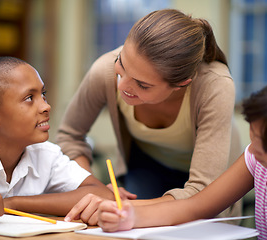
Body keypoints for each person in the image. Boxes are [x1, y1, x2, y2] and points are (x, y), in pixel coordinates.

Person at [58, 8, 242, 223]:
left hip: (208, 180)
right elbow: (70, 134)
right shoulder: (104, 70)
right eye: (121, 64)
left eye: (142, 84)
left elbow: (201, 192)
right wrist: (93, 189)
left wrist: (117, 208)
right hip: (148, 165)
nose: (122, 85)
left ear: (181, 84)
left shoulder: (215, 85)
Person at [97, 66, 267, 239]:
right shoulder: (255, 158)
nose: (255, 147)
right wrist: (131, 216)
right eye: (253, 132)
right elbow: (196, 206)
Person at [0, 56, 114, 226]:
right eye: (29, 98)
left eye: (43, 95)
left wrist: (13, 204)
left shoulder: (46, 154)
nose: (45, 106)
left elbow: (102, 194)